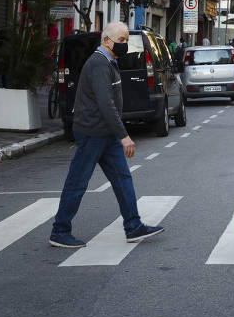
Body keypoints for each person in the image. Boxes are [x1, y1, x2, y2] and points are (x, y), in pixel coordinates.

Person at [49, 21, 164, 248]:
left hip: (106, 133)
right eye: (121, 41)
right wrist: (124, 135)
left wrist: (117, 133)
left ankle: (133, 225)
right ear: (106, 41)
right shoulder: (99, 64)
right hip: (92, 133)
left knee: (122, 179)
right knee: (78, 182)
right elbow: (105, 103)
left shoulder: (109, 62)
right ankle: (59, 230)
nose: (125, 45)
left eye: (126, 41)